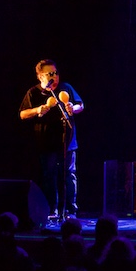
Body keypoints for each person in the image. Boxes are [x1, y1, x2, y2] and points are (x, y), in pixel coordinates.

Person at [19, 59, 84, 219]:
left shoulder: (65, 88)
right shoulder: (33, 93)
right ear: (40, 76)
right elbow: (22, 114)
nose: (54, 77)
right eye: (50, 74)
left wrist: (73, 109)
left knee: (69, 175)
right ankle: (52, 210)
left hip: (67, 141)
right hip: (46, 142)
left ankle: (70, 210)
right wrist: (37, 110)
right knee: (49, 176)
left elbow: (80, 105)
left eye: (55, 73)